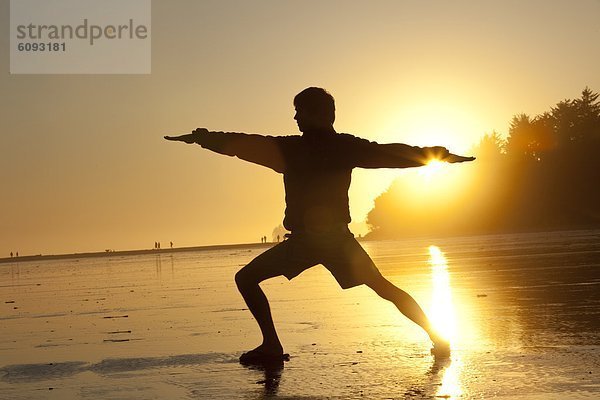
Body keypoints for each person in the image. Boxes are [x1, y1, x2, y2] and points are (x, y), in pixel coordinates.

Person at [165, 87, 475, 363]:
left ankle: (271, 345)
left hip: (311, 242)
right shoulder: (342, 146)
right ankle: (438, 337)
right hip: (334, 241)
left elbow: (244, 144)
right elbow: (391, 152)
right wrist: (440, 156)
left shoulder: (293, 149)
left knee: (246, 279)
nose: (295, 118)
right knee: (384, 288)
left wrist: (203, 138)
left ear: (317, 114)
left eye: (299, 111)